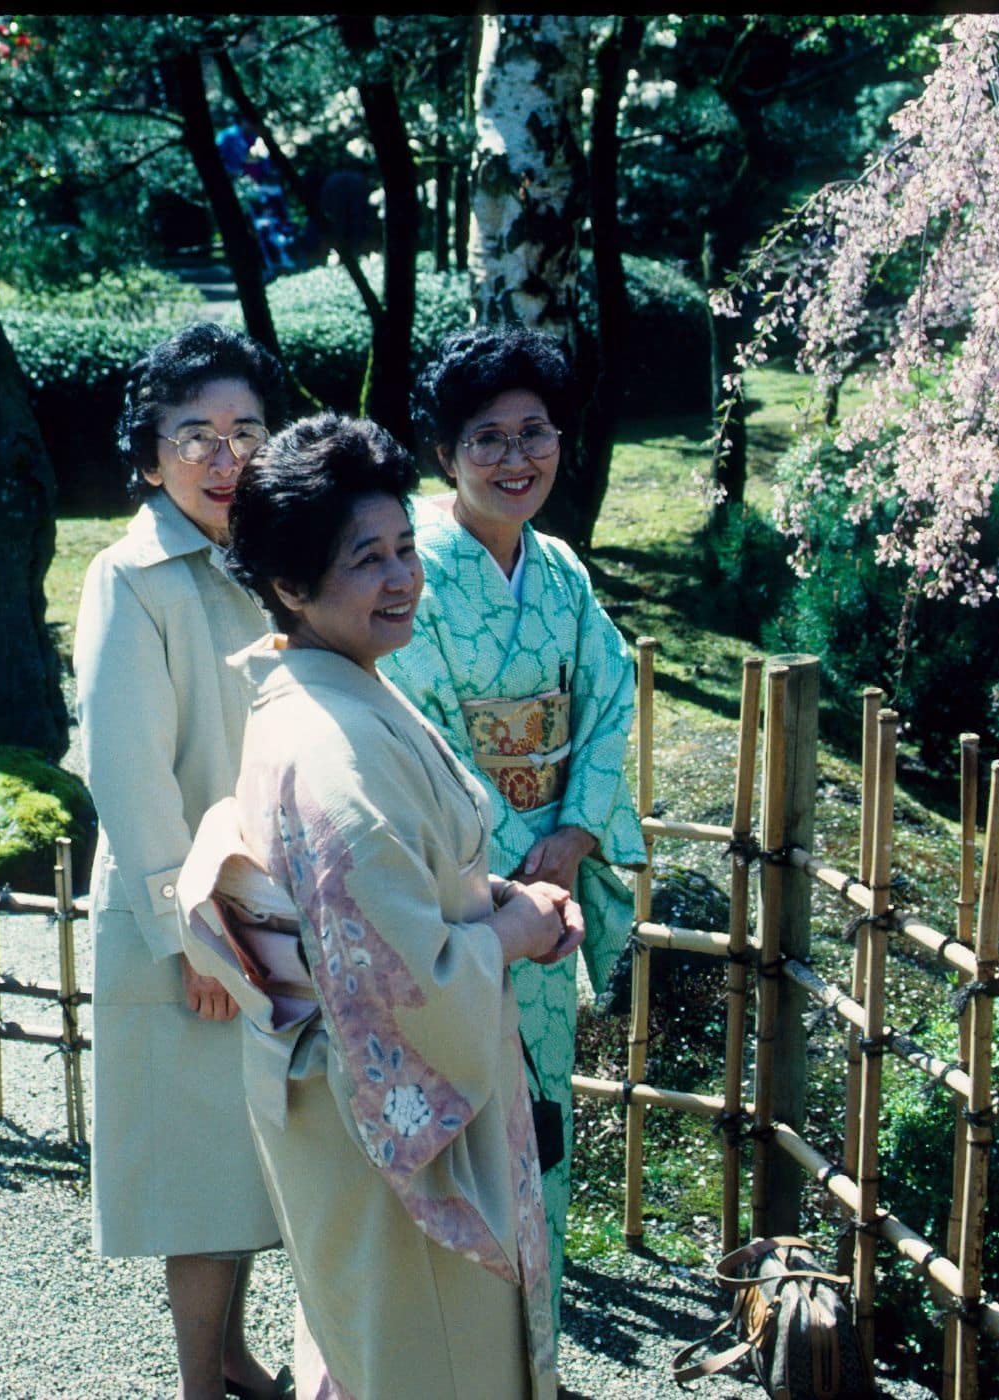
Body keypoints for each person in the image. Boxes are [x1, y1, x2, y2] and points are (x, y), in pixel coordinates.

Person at [176, 414, 582, 1398]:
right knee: (427, 1359)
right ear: (289, 585)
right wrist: (511, 929)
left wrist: (485, 895)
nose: (401, 575)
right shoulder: (333, 752)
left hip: (331, 1099)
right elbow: (403, 980)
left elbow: (392, 893)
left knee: (372, 1347)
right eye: (366, 558)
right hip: (378, 1116)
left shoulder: (333, 693)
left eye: (404, 546)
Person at [378, 326, 644, 1321]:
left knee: (541, 1112)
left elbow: (611, 697)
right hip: (455, 886)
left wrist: (573, 836)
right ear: (443, 453)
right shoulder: (408, 570)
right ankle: (442, 1346)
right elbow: (421, 725)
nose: (514, 457)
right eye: (484, 437)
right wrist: (510, 867)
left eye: (534, 432)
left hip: (550, 879)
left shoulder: (563, 572)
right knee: (454, 1104)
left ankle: (529, 1337)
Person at [74, 323, 293, 1400]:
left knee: (251, 1158)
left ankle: (233, 1357)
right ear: (150, 453)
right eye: (193, 435)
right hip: (187, 930)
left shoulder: (270, 563)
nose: (223, 456)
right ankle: (196, 1386)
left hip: (269, 912)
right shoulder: (132, 577)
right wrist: (195, 937)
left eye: (246, 430)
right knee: (202, 1172)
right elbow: (126, 774)